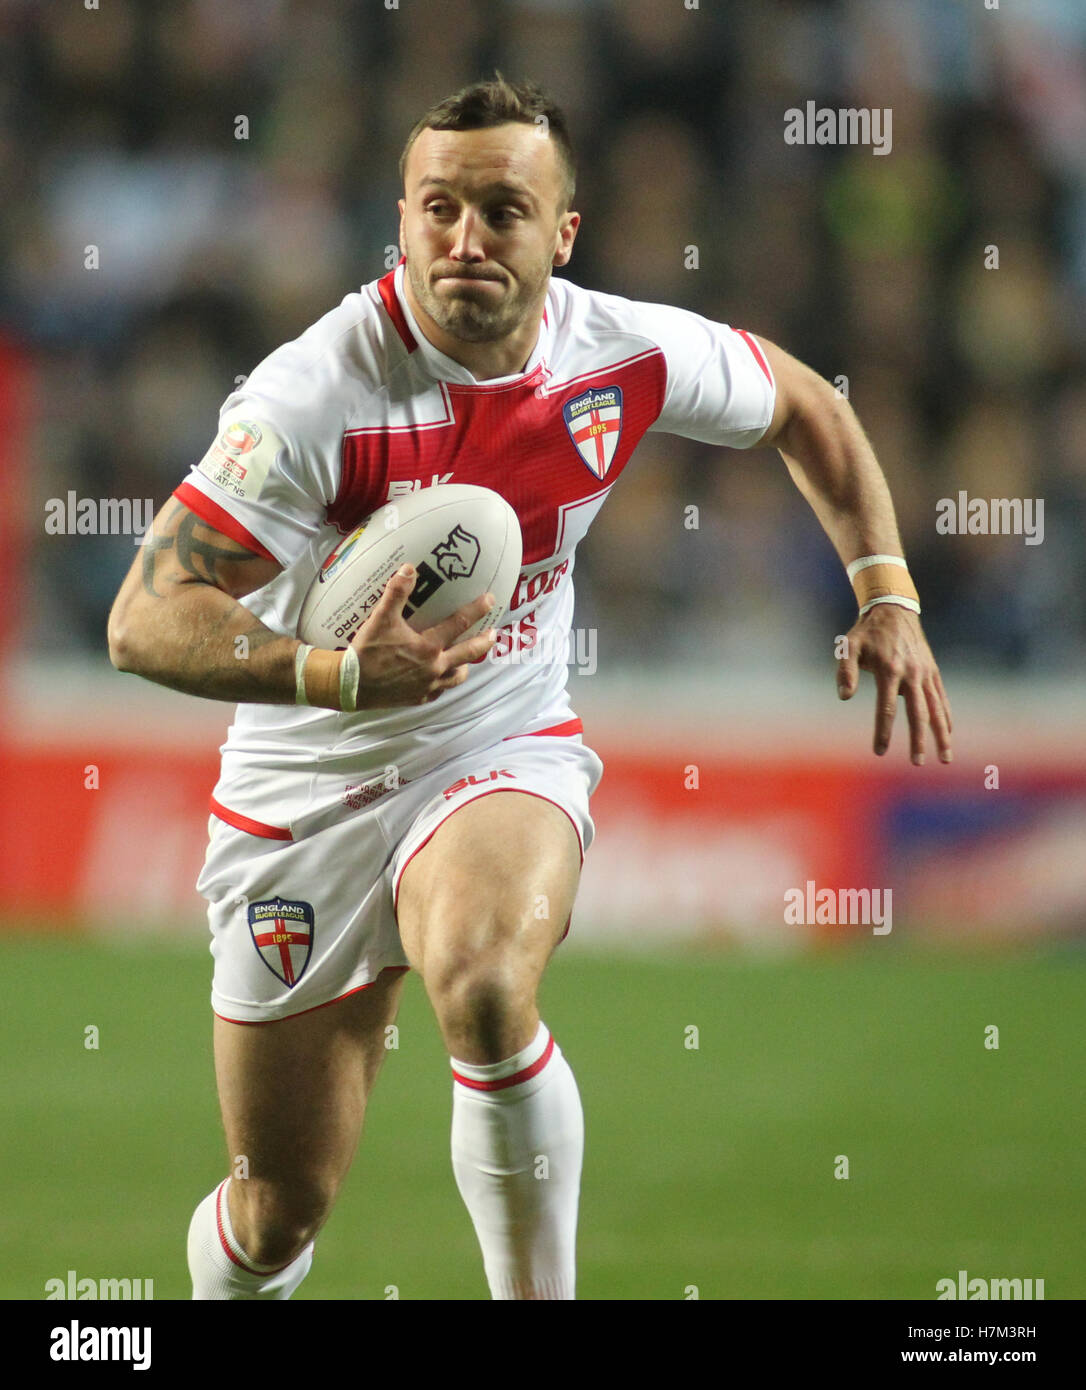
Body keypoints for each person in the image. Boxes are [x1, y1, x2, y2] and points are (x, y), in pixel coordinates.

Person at [107, 75, 953, 1302]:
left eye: (502, 210)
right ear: (398, 219)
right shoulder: (313, 399)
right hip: (304, 784)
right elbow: (145, 619)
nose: (464, 239)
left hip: (493, 746)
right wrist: (334, 671)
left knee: (489, 980)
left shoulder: (627, 354)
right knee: (277, 1210)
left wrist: (886, 590)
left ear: (562, 234)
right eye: (437, 207)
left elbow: (808, 406)